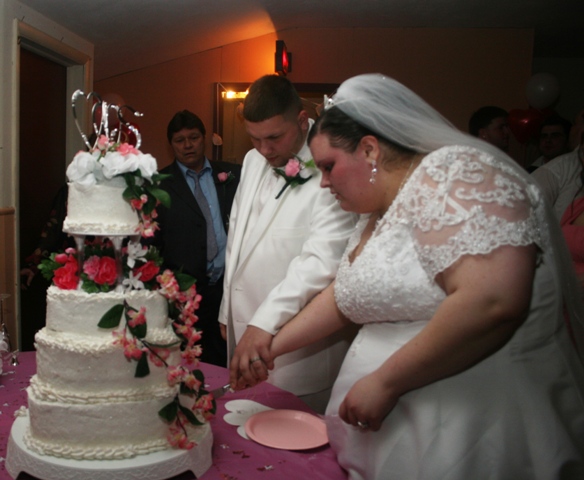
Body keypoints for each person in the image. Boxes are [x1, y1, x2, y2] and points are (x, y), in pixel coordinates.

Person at [234, 74, 584, 479]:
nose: (324, 181)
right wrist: (272, 347)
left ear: (369, 149)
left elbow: (492, 300)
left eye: (329, 167)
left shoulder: (458, 175)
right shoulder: (377, 211)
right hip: (395, 434)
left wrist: (386, 381)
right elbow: (346, 296)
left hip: (477, 429)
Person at [218, 75, 358, 413]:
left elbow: (320, 263)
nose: (264, 150)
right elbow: (237, 236)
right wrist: (227, 309)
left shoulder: (330, 170)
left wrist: (263, 323)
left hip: (299, 355)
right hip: (242, 334)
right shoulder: (252, 161)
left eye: (274, 138)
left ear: (301, 120)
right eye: (255, 138)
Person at [151, 110, 241, 366]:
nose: (188, 145)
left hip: (228, 290)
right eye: (180, 140)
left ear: (204, 138)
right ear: (171, 144)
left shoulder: (233, 175)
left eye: (193, 138)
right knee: (187, 365)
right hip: (183, 296)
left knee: (227, 362)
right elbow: (152, 244)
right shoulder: (158, 185)